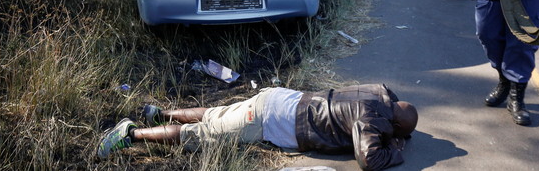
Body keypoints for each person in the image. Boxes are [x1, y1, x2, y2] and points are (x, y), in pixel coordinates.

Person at [97, 84, 418, 171]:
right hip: (270, 119)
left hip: (284, 99)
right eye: (399, 132)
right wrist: (395, 150)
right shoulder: (371, 121)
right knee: (202, 136)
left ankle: (161, 114)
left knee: (217, 113)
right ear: (393, 124)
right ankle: (131, 134)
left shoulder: (380, 92)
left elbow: (398, 110)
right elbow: (370, 160)